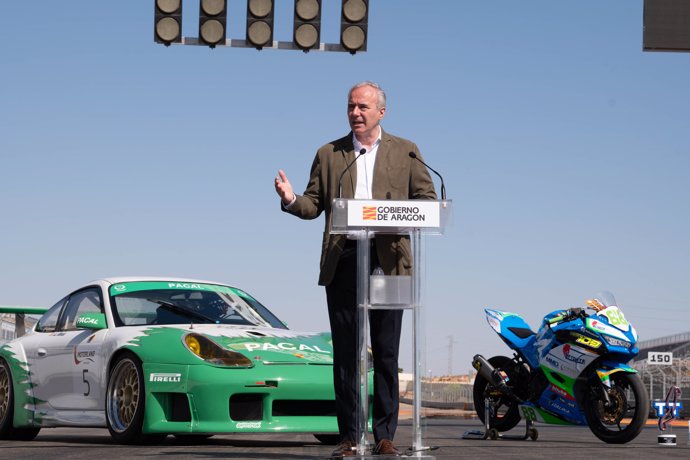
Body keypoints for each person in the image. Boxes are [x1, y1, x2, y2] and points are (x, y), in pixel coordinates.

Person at [274, 81, 437, 457]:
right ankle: (349, 437)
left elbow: (426, 200)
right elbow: (314, 204)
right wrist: (291, 200)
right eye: (351, 106)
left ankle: (384, 435)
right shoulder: (330, 153)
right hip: (345, 258)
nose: (355, 113)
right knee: (347, 352)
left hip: (389, 261)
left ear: (381, 111)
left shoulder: (407, 152)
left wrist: (393, 215)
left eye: (363, 107)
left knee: (386, 351)